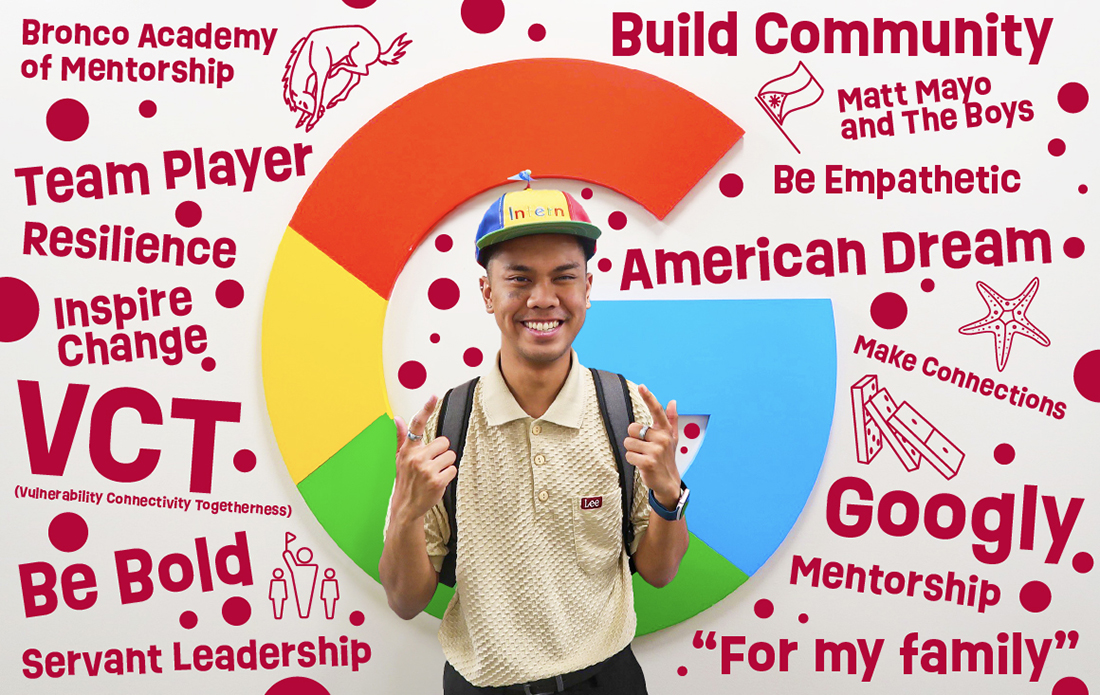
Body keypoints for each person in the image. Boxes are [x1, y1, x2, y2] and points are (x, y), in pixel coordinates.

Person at [379, 187, 690, 694]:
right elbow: (405, 599)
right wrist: (407, 515)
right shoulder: (446, 424)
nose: (542, 298)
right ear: (487, 293)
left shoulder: (626, 408)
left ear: (588, 287)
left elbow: (659, 572)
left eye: (563, 277)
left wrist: (667, 494)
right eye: (519, 279)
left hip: (605, 681)